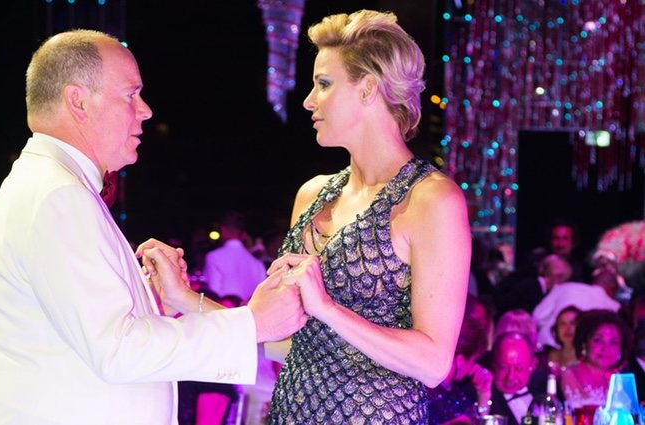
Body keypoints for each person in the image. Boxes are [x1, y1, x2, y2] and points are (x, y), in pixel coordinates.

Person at [0, 29, 306, 425]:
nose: (145, 110)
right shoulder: (57, 196)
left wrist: (155, 302)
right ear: (78, 101)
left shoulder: (54, 187)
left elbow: (89, 339)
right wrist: (250, 323)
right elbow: (117, 350)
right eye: (131, 95)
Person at [263, 10, 471, 423]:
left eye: (323, 84)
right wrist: (189, 304)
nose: (308, 100)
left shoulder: (431, 201)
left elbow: (433, 363)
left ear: (368, 89)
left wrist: (326, 307)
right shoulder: (311, 195)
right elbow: (284, 339)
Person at [560, 309, 632, 410]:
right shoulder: (570, 375)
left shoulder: (621, 379)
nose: (606, 348)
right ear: (584, 344)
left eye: (614, 342)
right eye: (598, 340)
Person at [203, 211, 268, 303]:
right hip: (250, 314)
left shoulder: (214, 257)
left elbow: (214, 293)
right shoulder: (257, 263)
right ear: (243, 234)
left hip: (224, 313)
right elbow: (262, 296)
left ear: (223, 229)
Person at [488, 332, 544, 425]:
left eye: (519, 369)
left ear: (532, 365)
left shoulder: (545, 384)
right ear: (494, 364)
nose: (510, 377)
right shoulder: (481, 396)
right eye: (503, 367)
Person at [545, 305, 582, 376]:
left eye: (572, 323)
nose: (567, 328)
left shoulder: (586, 359)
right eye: (562, 324)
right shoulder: (549, 356)